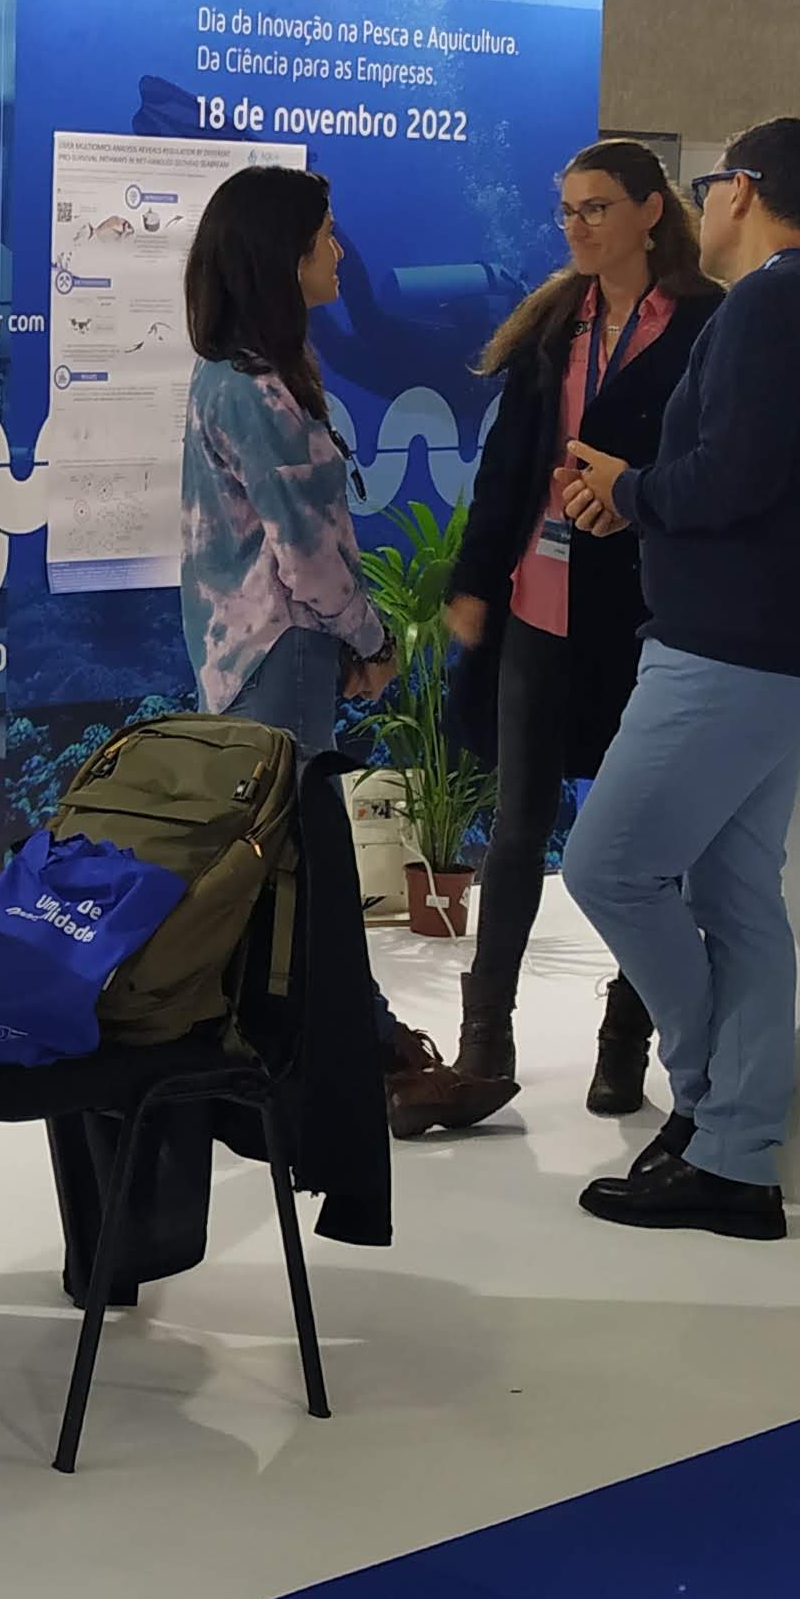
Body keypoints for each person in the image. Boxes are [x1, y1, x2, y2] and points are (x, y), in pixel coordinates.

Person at [549, 116, 800, 1239]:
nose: (702, 202)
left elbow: (731, 478)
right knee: (735, 894)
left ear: (743, 190)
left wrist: (630, 491)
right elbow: (753, 472)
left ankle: (706, 1107)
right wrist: (644, 493)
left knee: (607, 866)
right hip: (770, 643)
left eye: (709, 184)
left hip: (734, 647)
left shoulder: (775, 304)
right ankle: (736, 1162)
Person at [179, 164, 516, 1136]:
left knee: (283, 873)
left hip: (245, 654)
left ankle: (340, 1052)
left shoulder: (232, 377)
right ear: (283, 257)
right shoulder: (261, 392)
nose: (338, 252)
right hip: (281, 655)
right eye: (325, 237)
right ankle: (368, 1059)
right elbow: (309, 553)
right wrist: (370, 642)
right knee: (307, 874)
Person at [442, 140, 720, 1112]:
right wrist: (474, 581)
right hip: (538, 603)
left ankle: (626, 1036)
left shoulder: (706, 324)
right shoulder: (555, 321)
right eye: (567, 209)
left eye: (596, 207)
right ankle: (484, 1041)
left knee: (646, 835)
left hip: (647, 612)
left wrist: (637, 499)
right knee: (517, 825)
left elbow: (712, 468)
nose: (577, 226)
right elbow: (507, 467)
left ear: (652, 210)